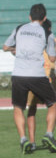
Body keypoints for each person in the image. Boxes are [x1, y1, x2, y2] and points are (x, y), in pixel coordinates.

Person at [3, 3, 56, 154]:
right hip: (37, 75)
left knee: (18, 107)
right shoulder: (47, 33)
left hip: (18, 74)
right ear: (44, 18)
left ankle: (23, 139)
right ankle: (49, 134)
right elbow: (52, 58)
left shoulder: (19, 28)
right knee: (53, 103)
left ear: (29, 17)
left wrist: (16, 50)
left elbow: (5, 47)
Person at [26, 19, 56, 151]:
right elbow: (53, 58)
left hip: (30, 77)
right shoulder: (51, 39)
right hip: (47, 78)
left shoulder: (30, 41)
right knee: (53, 106)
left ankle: (32, 143)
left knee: (32, 109)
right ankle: (49, 135)